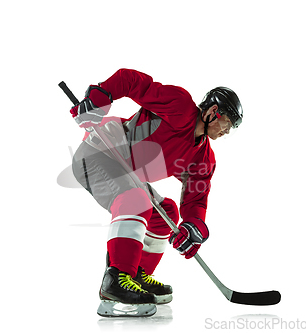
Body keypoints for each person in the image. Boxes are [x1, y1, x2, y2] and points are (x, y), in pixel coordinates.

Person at [70, 68, 243, 309]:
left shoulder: (203, 158)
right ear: (214, 112)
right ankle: (115, 281)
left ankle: (135, 275)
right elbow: (132, 82)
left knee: (167, 214)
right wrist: (100, 99)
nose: (227, 131)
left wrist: (193, 225)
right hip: (99, 152)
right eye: (229, 122)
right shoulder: (180, 105)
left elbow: (196, 198)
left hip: (127, 174)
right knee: (136, 201)